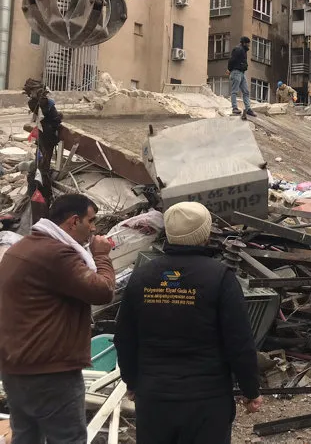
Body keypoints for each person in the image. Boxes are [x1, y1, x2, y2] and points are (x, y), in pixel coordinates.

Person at [114, 202, 261, 444]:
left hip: (154, 396)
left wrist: (132, 381)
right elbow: (239, 341)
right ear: (205, 233)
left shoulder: (143, 276)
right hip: (206, 400)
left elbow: (125, 337)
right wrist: (250, 389)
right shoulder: (220, 278)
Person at [0, 194, 115, 443]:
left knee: (26, 436)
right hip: (50, 372)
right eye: (91, 221)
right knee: (68, 438)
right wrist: (102, 255)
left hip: (16, 367)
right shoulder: (56, 254)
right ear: (74, 222)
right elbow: (102, 291)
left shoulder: (23, 247)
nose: (94, 229)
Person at [23, 78, 63, 221]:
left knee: (42, 163)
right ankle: (43, 194)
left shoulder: (43, 102)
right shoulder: (39, 102)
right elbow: (51, 117)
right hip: (45, 135)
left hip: (47, 135)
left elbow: (53, 118)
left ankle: (43, 193)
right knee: (42, 164)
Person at [227, 37, 256, 117]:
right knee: (234, 91)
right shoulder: (238, 49)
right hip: (236, 72)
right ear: (244, 43)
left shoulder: (243, 50)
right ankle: (234, 108)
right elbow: (231, 60)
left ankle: (248, 109)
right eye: (248, 43)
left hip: (242, 73)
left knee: (246, 91)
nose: (249, 45)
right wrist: (229, 69)